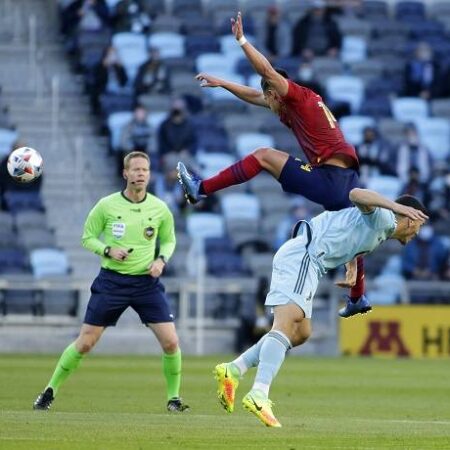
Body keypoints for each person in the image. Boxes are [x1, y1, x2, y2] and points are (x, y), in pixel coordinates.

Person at [177, 11, 368, 318]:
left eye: (270, 96)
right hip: (345, 177)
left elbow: (265, 74)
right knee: (354, 228)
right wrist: (222, 83)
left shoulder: (296, 95)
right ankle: (358, 296)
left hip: (331, 175)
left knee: (263, 156)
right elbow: (256, 94)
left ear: (277, 90)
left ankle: (200, 188)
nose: (269, 103)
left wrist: (241, 40)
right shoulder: (289, 102)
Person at [213, 188, 428, 427]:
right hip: (305, 256)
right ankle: (259, 393)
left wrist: (352, 262)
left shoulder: (382, 229)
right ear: (412, 218)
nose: (418, 232)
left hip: (309, 263)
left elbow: (347, 231)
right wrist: (397, 207)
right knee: (287, 323)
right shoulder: (386, 217)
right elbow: (356, 193)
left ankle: (233, 369)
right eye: (419, 224)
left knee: (301, 332)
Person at [33, 151, 189, 413]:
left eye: (145, 170)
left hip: (145, 285)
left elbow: (170, 239)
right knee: (85, 343)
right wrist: (107, 251)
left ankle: (173, 399)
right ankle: (49, 391)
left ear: (150, 175)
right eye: (136, 170)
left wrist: (161, 260)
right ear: (125, 174)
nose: (140, 174)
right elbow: (87, 237)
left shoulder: (159, 208)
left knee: (171, 342)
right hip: (112, 282)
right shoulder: (106, 206)